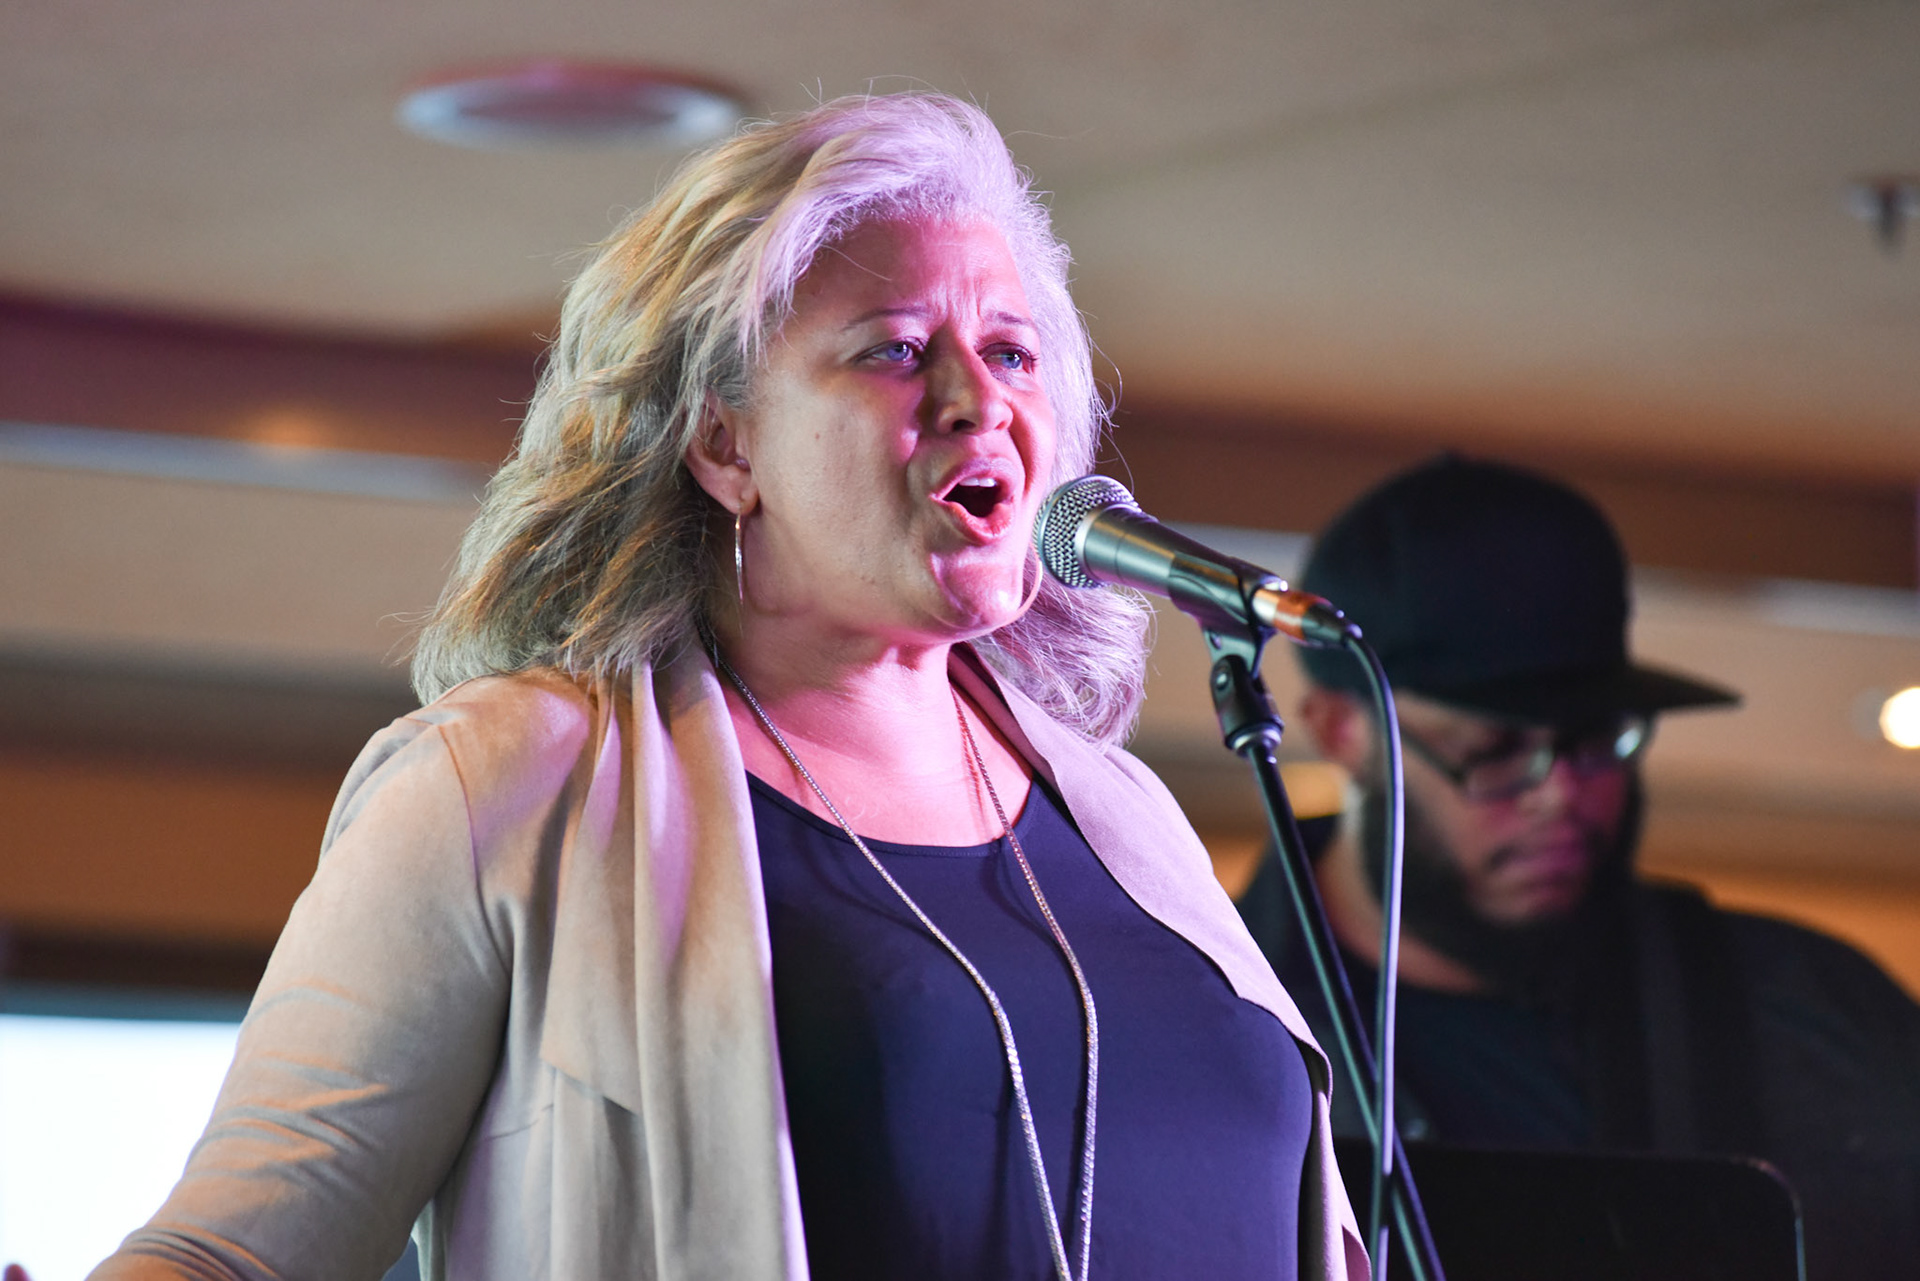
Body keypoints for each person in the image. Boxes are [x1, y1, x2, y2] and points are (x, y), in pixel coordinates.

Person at [88, 95, 1366, 1281]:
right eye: (896, 349)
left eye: (1012, 352)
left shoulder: (1128, 819)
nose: (979, 400)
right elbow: (235, 1250)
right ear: (724, 444)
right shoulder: (511, 786)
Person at [1236, 454, 1920, 1279]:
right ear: (1341, 730)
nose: (1563, 794)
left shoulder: (1813, 1013)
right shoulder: (1198, 1012)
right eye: (1494, 750)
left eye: (1597, 740)